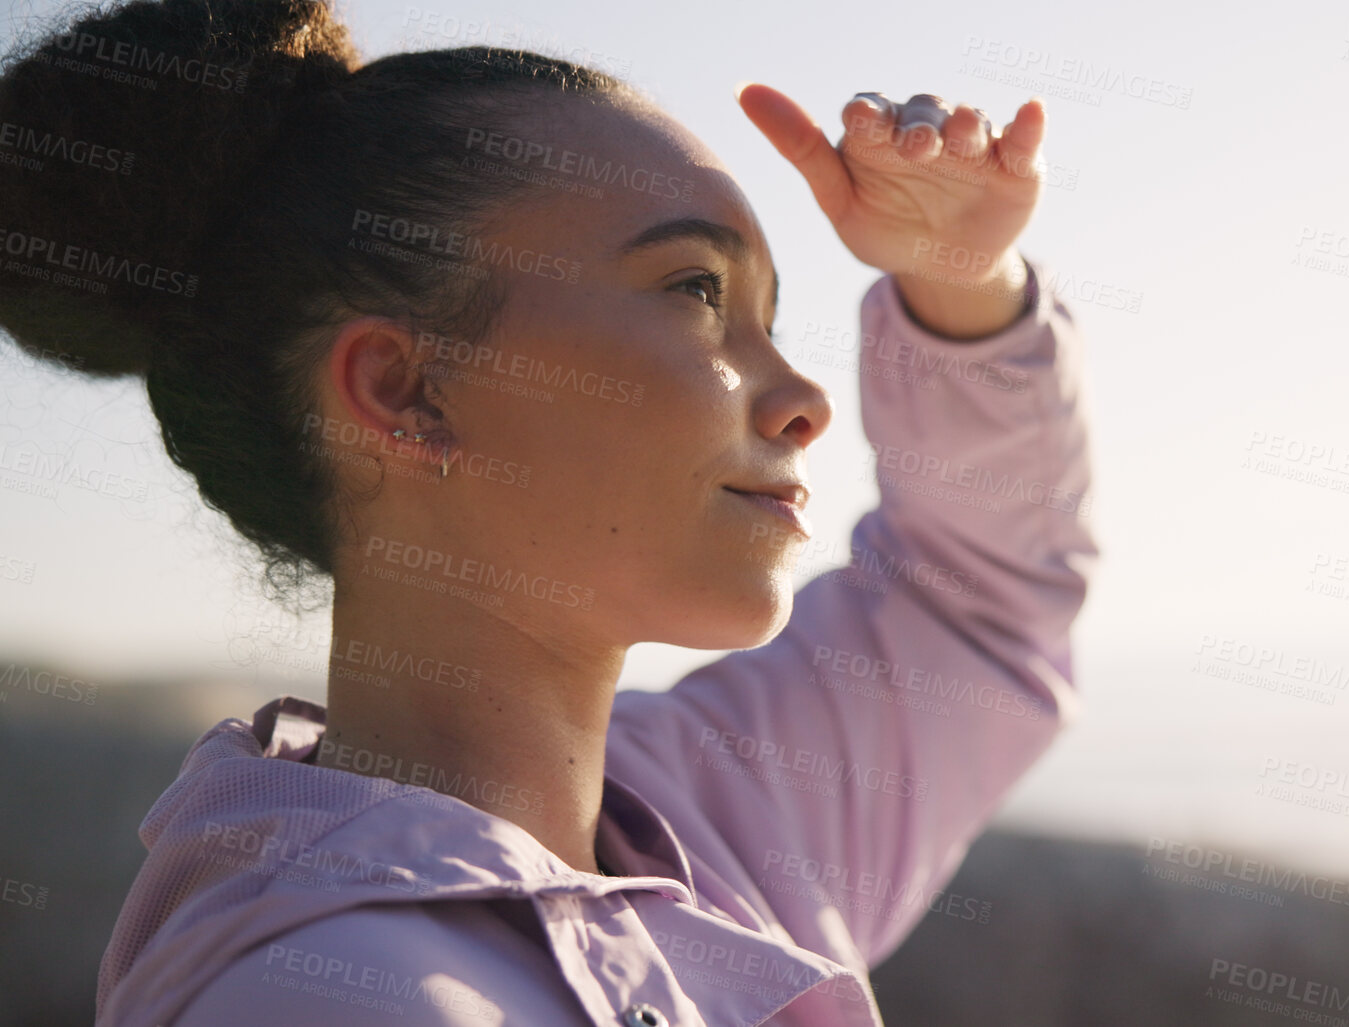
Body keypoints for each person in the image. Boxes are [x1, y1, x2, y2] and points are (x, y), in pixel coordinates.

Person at [0, 1, 1097, 1023]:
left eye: (769, 314)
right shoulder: (324, 997)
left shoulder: (722, 825)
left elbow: (976, 613)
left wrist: (963, 286)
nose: (806, 400)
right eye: (696, 292)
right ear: (403, 389)